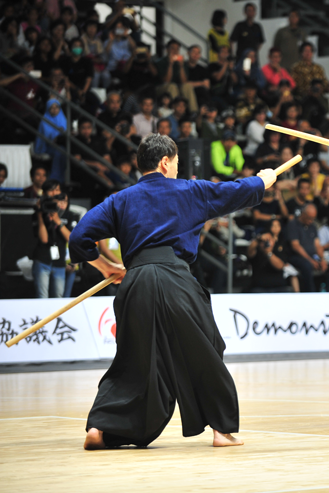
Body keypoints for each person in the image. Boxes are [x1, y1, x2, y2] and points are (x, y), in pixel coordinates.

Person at [69, 133, 279, 449]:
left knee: (132, 359)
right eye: (177, 163)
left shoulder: (120, 199)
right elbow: (233, 191)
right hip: (174, 278)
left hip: (135, 282)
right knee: (207, 347)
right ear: (165, 162)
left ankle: (101, 427)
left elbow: (78, 238)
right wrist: (263, 180)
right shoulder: (189, 191)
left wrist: (106, 267)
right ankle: (221, 431)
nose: (178, 170)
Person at [31, 179, 79, 298]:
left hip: (59, 261)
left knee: (58, 298)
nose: (54, 193)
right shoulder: (40, 213)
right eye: (51, 190)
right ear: (45, 193)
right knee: (42, 297)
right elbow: (44, 239)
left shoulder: (69, 215)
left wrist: (58, 221)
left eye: (57, 190)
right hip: (42, 259)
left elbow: (71, 239)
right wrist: (40, 214)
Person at [247, 219, 299, 293]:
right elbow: (249, 251)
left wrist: (269, 253)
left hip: (279, 287)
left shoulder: (279, 249)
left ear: (274, 241)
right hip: (259, 288)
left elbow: (280, 266)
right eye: (265, 241)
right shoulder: (257, 250)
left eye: (269, 240)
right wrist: (258, 239)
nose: (267, 243)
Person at [285, 203, 328, 292]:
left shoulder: (313, 227)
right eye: (309, 218)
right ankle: (310, 293)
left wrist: (323, 259)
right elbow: (295, 246)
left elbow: (317, 245)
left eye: (313, 218)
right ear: (303, 214)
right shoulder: (293, 224)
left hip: (311, 256)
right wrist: (310, 260)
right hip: (296, 256)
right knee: (307, 266)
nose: (311, 220)